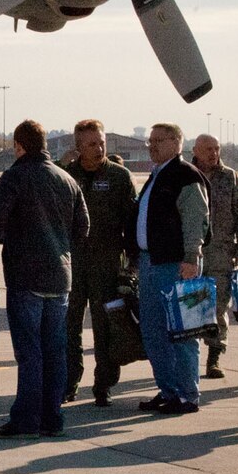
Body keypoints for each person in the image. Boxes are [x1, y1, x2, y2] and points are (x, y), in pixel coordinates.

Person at [0, 120, 89, 440]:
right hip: (60, 277)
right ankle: (53, 418)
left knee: (30, 352)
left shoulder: (15, 177)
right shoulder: (67, 179)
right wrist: (60, 249)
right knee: (54, 350)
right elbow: (83, 229)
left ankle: (26, 418)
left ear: (19, 146)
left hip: (27, 275)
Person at [133, 123, 211, 416]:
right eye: (149, 141)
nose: (151, 146)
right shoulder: (157, 175)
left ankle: (188, 395)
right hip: (150, 263)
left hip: (178, 265)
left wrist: (191, 257)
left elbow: (195, 220)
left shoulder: (185, 176)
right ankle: (168, 390)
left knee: (183, 333)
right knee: (154, 333)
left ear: (177, 143)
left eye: (158, 140)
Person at [61, 119, 137, 407]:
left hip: (107, 263)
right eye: (92, 143)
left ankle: (104, 383)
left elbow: (131, 222)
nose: (99, 147)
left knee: (106, 326)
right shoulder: (67, 175)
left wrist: (131, 263)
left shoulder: (120, 177)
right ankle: (69, 382)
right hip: (74, 263)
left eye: (102, 141)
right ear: (79, 147)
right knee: (70, 326)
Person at [191, 134, 238, 381]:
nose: (213, 153)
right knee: (192, 306)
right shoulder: (186, 174)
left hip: (220, 252)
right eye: (207, 149)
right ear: (195, 150)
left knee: (218, 307)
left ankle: (214, 356)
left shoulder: (229, 177)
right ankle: (189, 357)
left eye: (216, 149)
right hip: (191, 253)